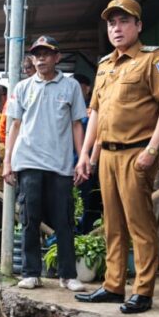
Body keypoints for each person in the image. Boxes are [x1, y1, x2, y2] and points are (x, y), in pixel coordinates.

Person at [74, 0, 159, 314]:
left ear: (138, 26)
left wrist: (152, 149)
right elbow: (94, 112)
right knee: (113, 224)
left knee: (140, 224)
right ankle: (113, 285)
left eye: (123, 21)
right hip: (106, 155)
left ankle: (144, 291)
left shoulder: (154, 60)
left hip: (137, 152)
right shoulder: (105, 65)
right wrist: (85, 155)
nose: (117, 28)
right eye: (111, 23)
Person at [2, 35, 88, 291]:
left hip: (60, 164)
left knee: (64, 220)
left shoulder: (70, 87)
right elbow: (14, 127)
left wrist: (81, 158)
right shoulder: (22, 88)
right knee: (29, 218)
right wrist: (8, 162)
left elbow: (76, 125)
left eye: (46, 54)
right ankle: (30, 273)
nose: (40, 58)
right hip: (28, 161)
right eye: (36, 54)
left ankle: (67, 275)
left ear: (56, 57)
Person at [71, 73, 103, 233]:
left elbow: (99, 136)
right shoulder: (68, 107)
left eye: (78, 86)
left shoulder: (93, 110)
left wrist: (92, 161)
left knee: (88, 204)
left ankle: (86, 234)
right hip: (67, 163)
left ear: (87, 88)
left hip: (88, 164)